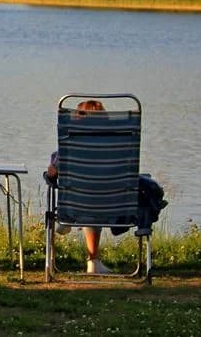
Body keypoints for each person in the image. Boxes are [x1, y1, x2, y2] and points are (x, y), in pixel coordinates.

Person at [45, 99, 112, 274]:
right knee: (94, 204)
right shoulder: (115, 145)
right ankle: (93, 262)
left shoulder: (70, 144)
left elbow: (53, 173)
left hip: (75, 201)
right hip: (112, 205)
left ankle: (67, 217)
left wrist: (51, 172)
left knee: (83, 200)